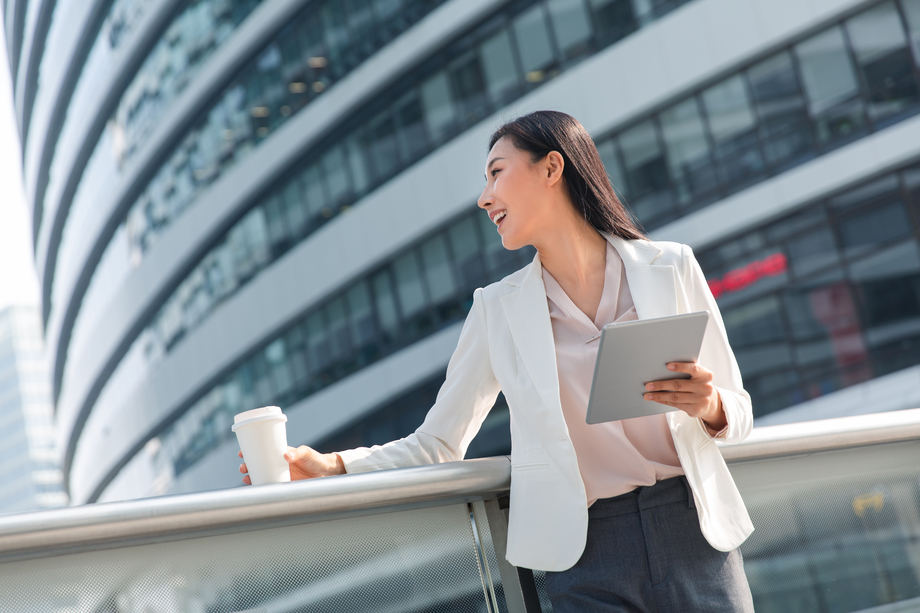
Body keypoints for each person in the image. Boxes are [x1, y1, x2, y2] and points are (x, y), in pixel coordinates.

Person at [240, 110, 755, 612]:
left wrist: (709, 404)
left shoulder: (670, 267)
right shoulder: (497, 311)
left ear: (552, 168)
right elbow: (438, 443)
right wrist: (332, 466)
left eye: (496, 173)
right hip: (588, 553)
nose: (485, 198)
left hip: (694, 531)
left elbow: (739, 411)